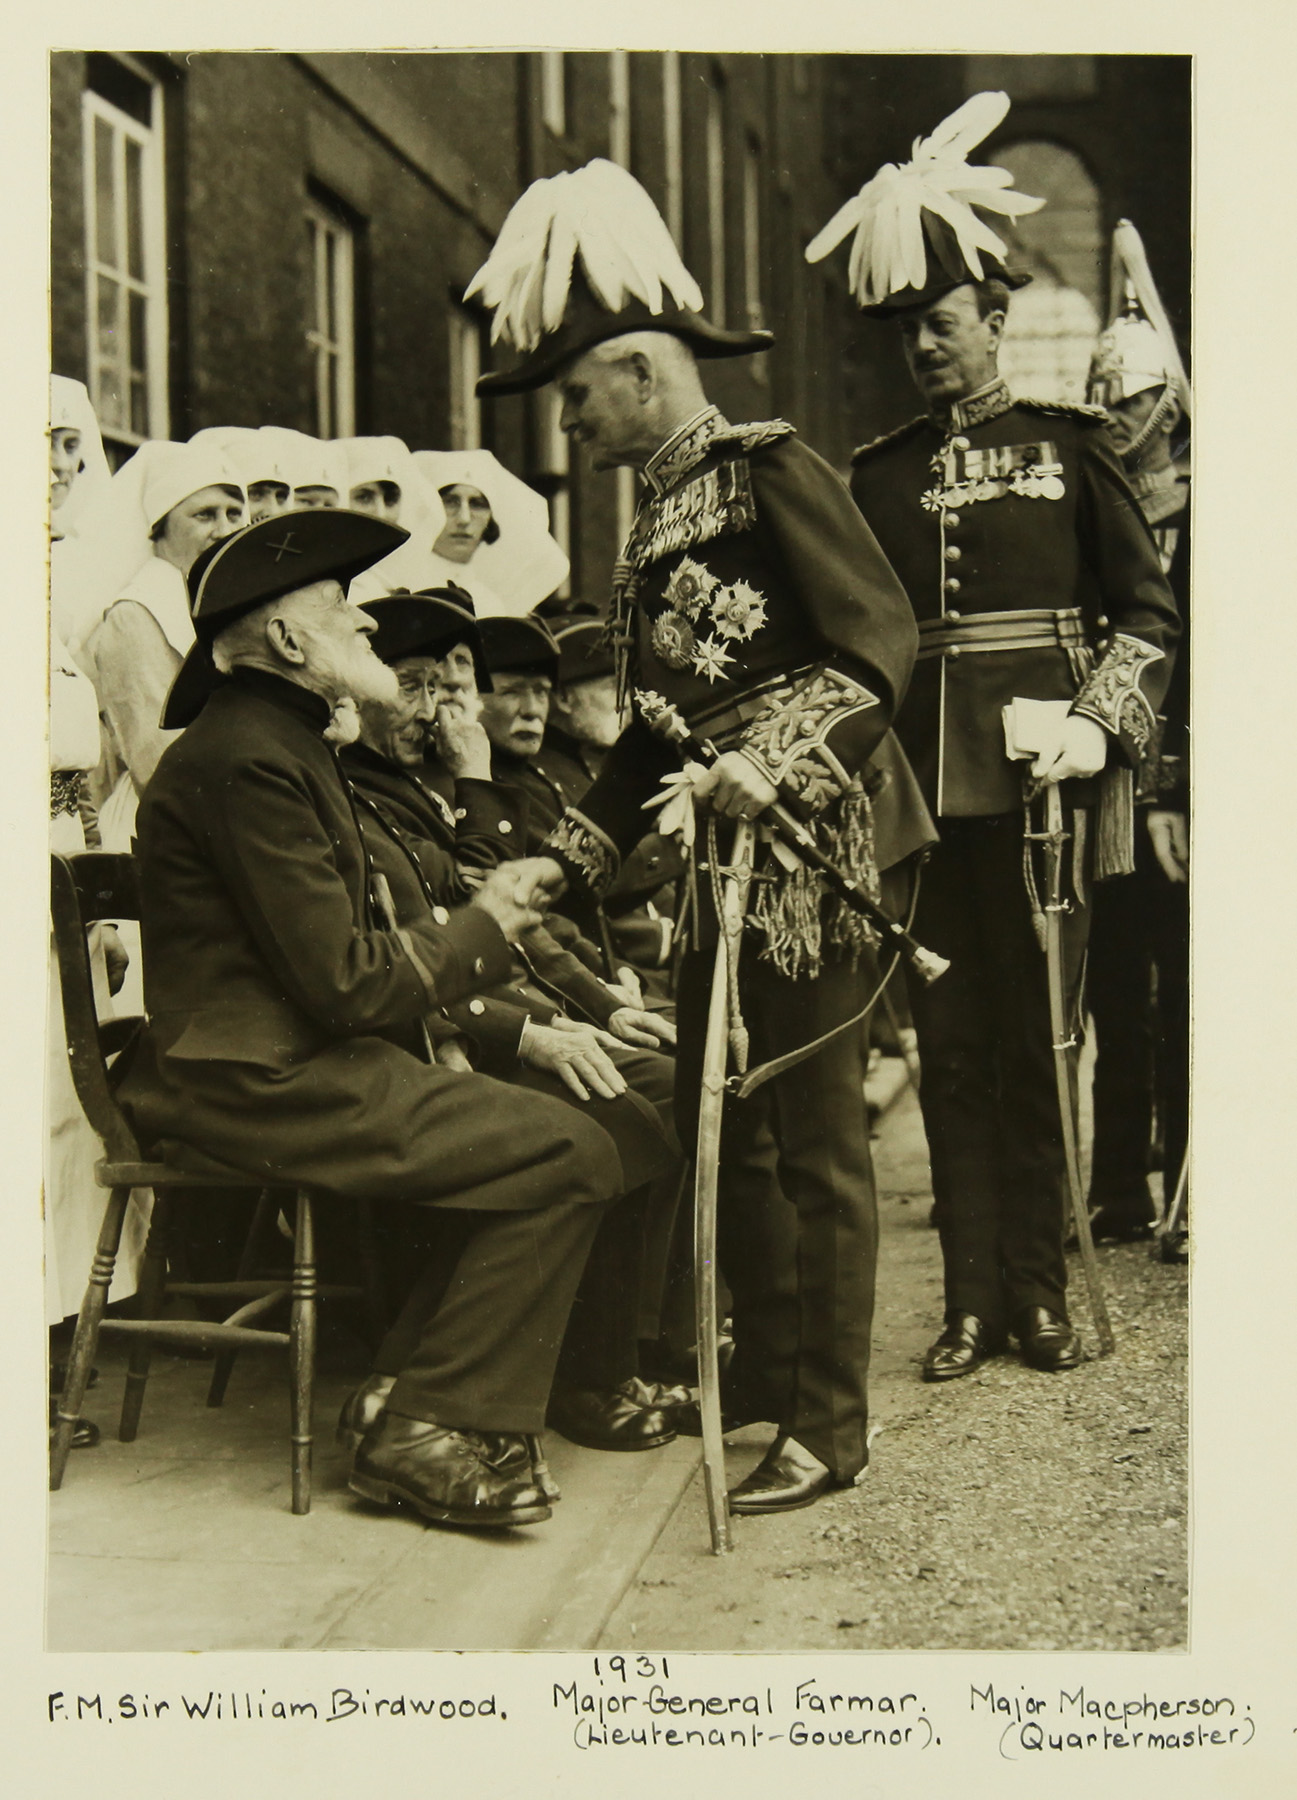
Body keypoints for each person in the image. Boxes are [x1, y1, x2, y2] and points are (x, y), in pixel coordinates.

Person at [467, 156, 924, 1513]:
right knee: (749, 1130)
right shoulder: (652, 521)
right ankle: (773, 1394)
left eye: (578, 390)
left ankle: (831, 1430)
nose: (570, 416)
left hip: (820, 841)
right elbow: (657, 742)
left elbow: (876, 646)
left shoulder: (766, 467)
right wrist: (559, 861)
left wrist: (772, 761)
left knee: (820, 1140)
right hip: (729, 846)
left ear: (641, 368)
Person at [115, 509, 632, 1531]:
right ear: (289, 641)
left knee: (574, 1139)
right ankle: (421, 1431)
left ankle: (408, 1396)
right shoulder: (254, 756)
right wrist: (483, 926)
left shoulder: (275, 741)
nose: (360, 621)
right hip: (257, 1077)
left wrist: (476, 968)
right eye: (339, 606)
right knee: (567, 1152)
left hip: (289, 1057)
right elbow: (346, 982)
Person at [808, 93, 1181, 1379]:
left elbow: (1148, 615)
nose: (924, 348)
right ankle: (966, 1302)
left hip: (1046, 798)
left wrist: (1097, 728)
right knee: (948, 1051)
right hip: (922, 794)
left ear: (995, 324)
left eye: (943, 324)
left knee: (1037, 1044)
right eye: (907, 330)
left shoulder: (1072, 456)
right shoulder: (876, 476)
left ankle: (1038, 1296)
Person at [340, 589, 685, 1452]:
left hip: (487, 1016)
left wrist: (605, 1006)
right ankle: (583, 1373)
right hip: (428, 1040)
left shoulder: (422, 787)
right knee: (610, 1115)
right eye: (415, 686)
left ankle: (620, 1349)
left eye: (451, 688)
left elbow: (521, 924)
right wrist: (525, 1032)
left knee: (669, 1086)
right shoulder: (355, 791)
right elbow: (437, 935)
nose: (440, 710)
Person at [1083, 220, 1191, 1248]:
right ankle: (1119, 1179)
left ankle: (1200, 1175)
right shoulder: (1095, 519)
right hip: (1110, 789)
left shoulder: (1215, 523)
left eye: (1139, 407)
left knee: (1194, 990)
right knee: (1115, 991)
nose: (1125, 426)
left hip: (1189, 795)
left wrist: (1181, 790)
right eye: (1109, 405)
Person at [75, 440, 247, 858]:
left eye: (233, 513)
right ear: (159, 529)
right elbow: (159, 768)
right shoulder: (136, 615)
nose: (224, 529)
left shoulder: (222, 604)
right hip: (171, 834)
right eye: (204, 515)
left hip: (238, 814)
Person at [412, 448, 569, 617]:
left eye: (477, 504)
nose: (464, 518)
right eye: (450, 502)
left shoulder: (489, 601)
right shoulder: (408, 586)